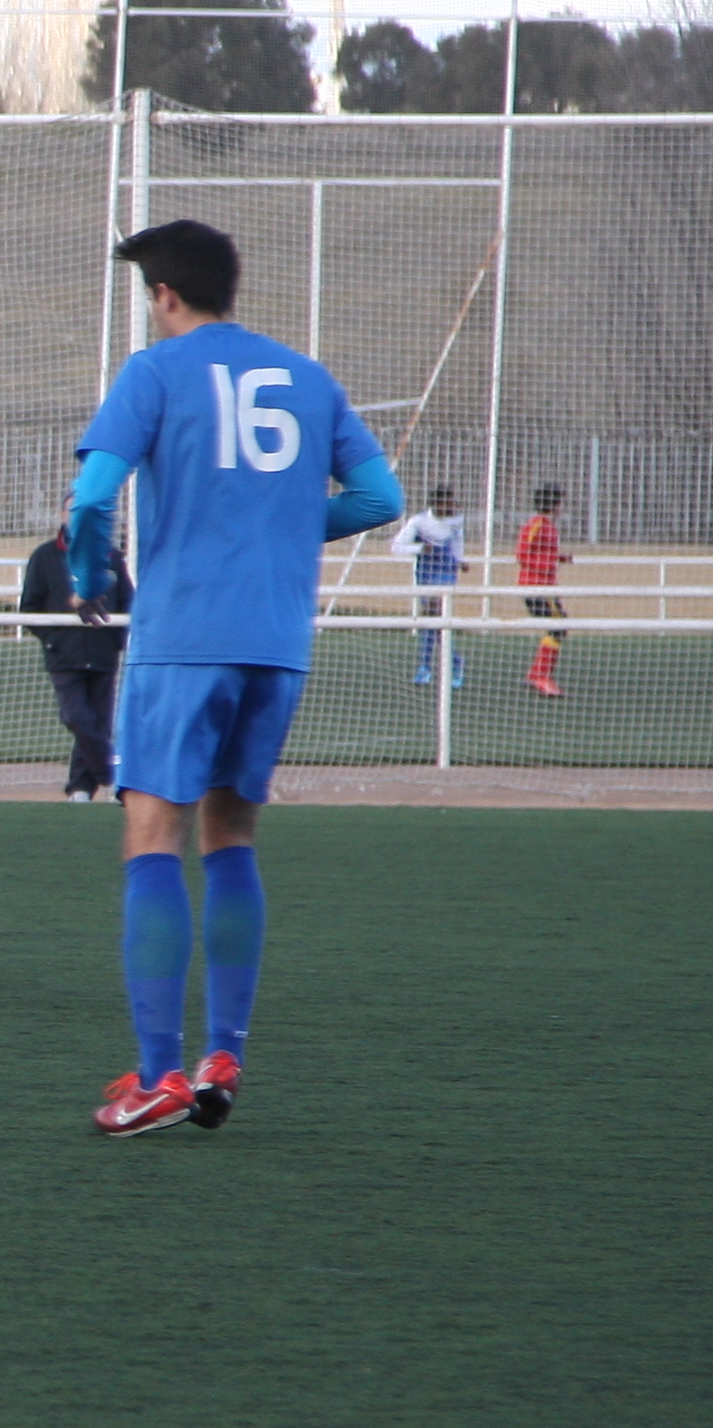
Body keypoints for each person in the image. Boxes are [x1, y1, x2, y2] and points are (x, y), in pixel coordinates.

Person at [68, 218, 400, 1138]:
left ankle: (158, 1075)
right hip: (279, 639)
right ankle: (223, 1053)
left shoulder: (154, 372)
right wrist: (285, 526)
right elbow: (381, 500)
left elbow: (94, 496)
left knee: (149, 835)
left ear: (163, 295)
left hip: (185, 635)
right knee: (231, 836)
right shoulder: (309, 378)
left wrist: (94, 576)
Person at [18, 497, 130, 799]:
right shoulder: (45, 557)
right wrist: (52, 638)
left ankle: (81, 788)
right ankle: (111, 773)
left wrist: (117, 640)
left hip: (103, 655)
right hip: (63, 656)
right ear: (62, 514)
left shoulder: (110, 556)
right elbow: (29, 608)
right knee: (77, 717)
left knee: (99, 722)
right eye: (73, 511)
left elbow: (128, 602)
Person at [388, 483, 466, 688]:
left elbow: (457, 543)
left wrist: (460, 560)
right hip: (425, 575)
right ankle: (449, 663)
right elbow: (396, 547)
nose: (453, 505)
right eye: (449, 501)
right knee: (433, 623)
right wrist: (421, 547)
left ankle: (428, 666)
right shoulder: (419, 522)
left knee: (433, 612)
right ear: (438, 503)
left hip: (446, 574)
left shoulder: (456, 521)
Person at [518, 481, 573, 698]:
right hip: (536, 586)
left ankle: (537, 674)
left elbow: (541, 553)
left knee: (558, 627)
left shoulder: (547, 525)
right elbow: (522, 555)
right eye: (560, 502)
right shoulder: (536, 525)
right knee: (558, 627)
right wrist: (548, 564)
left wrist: (558, 557)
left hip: (546, 586)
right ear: (553, 503)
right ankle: (541, 677)